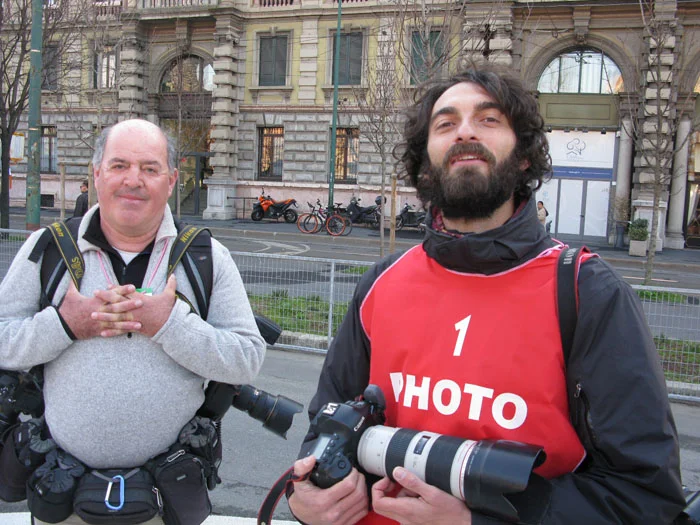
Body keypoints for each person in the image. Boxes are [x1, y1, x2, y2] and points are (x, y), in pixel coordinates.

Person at [288, 65, 686, 524]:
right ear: (424, 162)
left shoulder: (587, 291)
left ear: (523, 157)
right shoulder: (381, 282)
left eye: (489, 119)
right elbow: (327, 423)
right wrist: (308, 498)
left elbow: (644, 497)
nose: (465, 132)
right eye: (446, 123)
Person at [0, 119, 266, 524]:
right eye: (119, 165)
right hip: (64, 495)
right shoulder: (48, 248)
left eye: (150, 168)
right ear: (97, 174)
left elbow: (246, 358)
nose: (133, 180)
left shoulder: (207, 256)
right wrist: (65, 325)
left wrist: (170, 324)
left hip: (167, 499)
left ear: (172, 180)